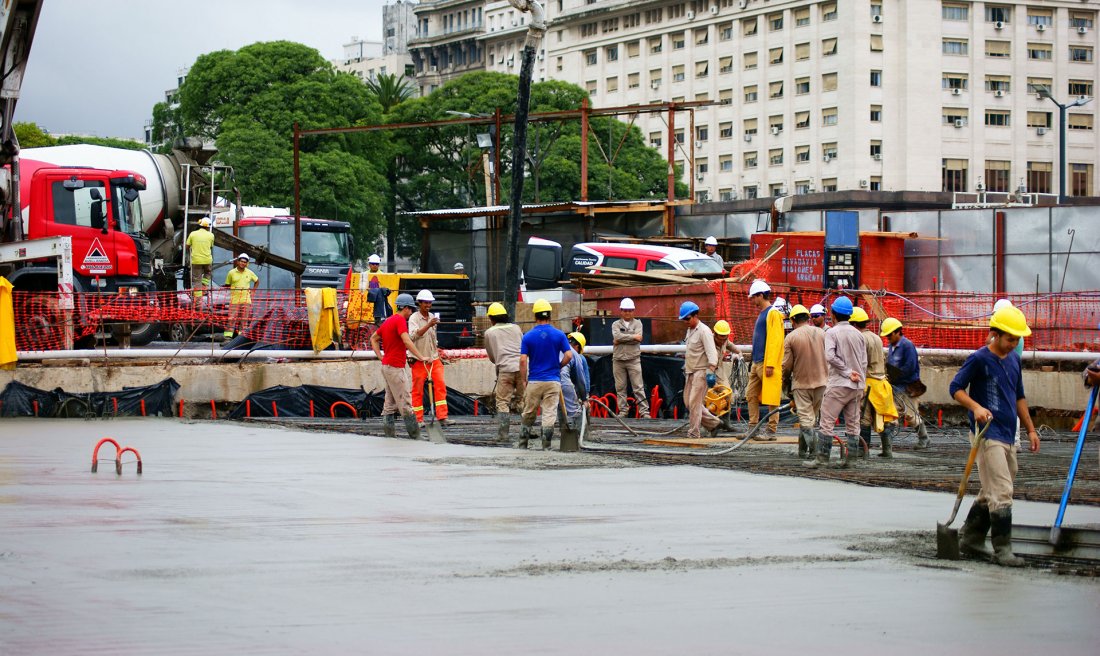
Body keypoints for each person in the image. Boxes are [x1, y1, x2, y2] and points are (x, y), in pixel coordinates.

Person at [951, 304, 1040, 567]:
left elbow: (1019, 396)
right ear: (996, 334)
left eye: (1017, 339)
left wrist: (1031, 429)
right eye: (1010, 338)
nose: (1014, 343)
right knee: (1002, 489)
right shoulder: (979, 359)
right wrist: (976, 407)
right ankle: (1003, 549)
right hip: (986, 434)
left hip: (1008, 433)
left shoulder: (1013, 360)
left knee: (995, 486)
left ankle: (971, 538)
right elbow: (955, 388)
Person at [805, 297, 867, 469]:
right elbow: (863, 362)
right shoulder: (858, 335)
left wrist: (847, 373)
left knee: (826, 421)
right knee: (853, 423)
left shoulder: (832, 333)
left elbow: (830, 356)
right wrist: (860, 380)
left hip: (840, 384)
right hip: (856, 387)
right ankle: (852, 460)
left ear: (833, 314)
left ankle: (822, 459)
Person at [370, 293, 428, 440]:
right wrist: (421, 357)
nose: (411, 313)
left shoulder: (388, 321)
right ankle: (416, 437)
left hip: (387, 366)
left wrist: (381, 357)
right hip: (395, 367)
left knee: (389, 404)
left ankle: (389, 436)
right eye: (411, 310)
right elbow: (407, 341)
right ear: (407, 308)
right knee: (406, 403)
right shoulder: (400, 320)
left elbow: (373, 338)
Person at [518, 299, 573, 450]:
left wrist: (524, 381)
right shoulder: (559, 335)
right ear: (550, 315)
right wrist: (558, 366)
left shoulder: (528, 336)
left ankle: (523, 444)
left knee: (528, 413)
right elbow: (569, 355)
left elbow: (523, 360)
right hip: (552, 381)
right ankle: (546, 446)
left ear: (535, 316)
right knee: (549, 414)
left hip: (534, 381)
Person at [851, 307, 898, 458]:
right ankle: (887, 450)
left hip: (868, 385)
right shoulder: (876, 337)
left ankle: (862, 450)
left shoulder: (860, 339)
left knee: (864, 418)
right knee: (883, 418)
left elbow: (860, 363)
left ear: (854, 324)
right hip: (882, 384)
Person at [782, 304, 828, 459]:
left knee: (805, 419)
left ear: (793, 320)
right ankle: (802, 452)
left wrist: (784, 381)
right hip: (822, 383)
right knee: (811, 418)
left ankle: (815, 453)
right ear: (808, 318)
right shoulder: (822, 333)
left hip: (802, 384)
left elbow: (786, 366)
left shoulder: (791, 337)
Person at [881, 317, 931, 451]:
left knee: (911, 415)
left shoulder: (907, 346)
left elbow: (910, 367)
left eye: (889, 335)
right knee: (892, 414)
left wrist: (896, 376)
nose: (887, 338)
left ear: (898, 332)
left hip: (908, 387)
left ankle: (924, 438)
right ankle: (887, 446)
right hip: (896, 387)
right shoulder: (892, 347)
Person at [408, 289, 452, 428]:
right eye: (426, 302)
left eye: (430, 302)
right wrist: (428, 325)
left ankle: (442, 417)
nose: (428, 305)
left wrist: (437, 351)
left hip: (433, 359)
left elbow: (433, 339)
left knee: (440, 386)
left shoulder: (432, 316)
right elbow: (413, 336)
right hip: (419, 359)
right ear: (419, 303)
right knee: (417, 389)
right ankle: (418, 419)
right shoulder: (414, 318)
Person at [745, 279, 784, 437]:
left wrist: (770, 364)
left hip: (766, 363)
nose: (753, 300)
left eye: (754, 297)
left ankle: (771, 430)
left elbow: (775, 340)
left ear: (761, 295)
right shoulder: (763, 314)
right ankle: (753, 428)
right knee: (750, 394)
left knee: (772, 397)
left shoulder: (773, 313)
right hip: (757, 362)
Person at [680, 300, 722, 439]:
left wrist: (710, 371)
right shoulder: (690, 330)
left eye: (687, 318)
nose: (685, 321)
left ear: (695, 315)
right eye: (684, 319)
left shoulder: (704, 331)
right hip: (690, 372)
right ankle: (714, 423)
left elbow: (712, 353)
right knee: (688, 402)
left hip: (701, 372)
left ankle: (693, 433)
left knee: (694, 403)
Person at [484, 302, 525, 442]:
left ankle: (503, 435)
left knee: (502, 402)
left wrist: (500, 362)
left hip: (505, 369)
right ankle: (526, 431)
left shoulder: (489, 333)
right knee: (522, 400)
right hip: (522, 368)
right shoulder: (516, 328)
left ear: (491, 318)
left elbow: (492, 356)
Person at [612, 297, 649, 418]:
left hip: (633, 359)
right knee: (620, 387)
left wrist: (621, 339)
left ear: (633, 311)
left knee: (638, 387)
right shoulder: (615, 324)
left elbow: (638, 338)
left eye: (629, 310)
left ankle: (644, 412)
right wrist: (633, 337)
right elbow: (618, 336)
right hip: (618, 360)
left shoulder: (638, 323)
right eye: (625, 310)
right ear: (621, 311)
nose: (627, 312)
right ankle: (623, 411)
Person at [223, 253, 258, 340]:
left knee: (244, 319)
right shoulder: (231, 273)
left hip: (246, 300)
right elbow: (227, 284)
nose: (243, 263)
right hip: (234, 300)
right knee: (231, 319)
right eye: (241, 261)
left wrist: (253, 292)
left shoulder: (249, 273)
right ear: (238, 262)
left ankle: (241, 337)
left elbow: (257, 281)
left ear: (247, 263)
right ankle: (228, 337)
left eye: (245, 262)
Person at [560, 332, 590, 430]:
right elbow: (580, 380)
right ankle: (580, 437)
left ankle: (561, 435)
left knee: (558, 409)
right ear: (577, 346)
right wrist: (584, 399)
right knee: (575, 411)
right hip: (563, 380)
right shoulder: (574, 353)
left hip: (547, 380)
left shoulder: (557, 347)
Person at [185, 217, 215, 297]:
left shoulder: (193, 234)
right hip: (207, 260)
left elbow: (187, 246)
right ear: (208, 227)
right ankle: (204, 286)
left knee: (197, 280)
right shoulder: (211, 235)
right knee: (208, 272)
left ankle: (197, 303)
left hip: (196, 261)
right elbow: (211, 246)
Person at [712, 320, 741, 387]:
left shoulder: (725, 341)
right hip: (707, 372)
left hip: (719, 371)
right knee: (711, 394)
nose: (722, 341)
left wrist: (740, 354)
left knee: (727, 393)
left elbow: (735, 349)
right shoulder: (708, 341)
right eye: (720, 339)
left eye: (724, 339)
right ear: (715, 334)